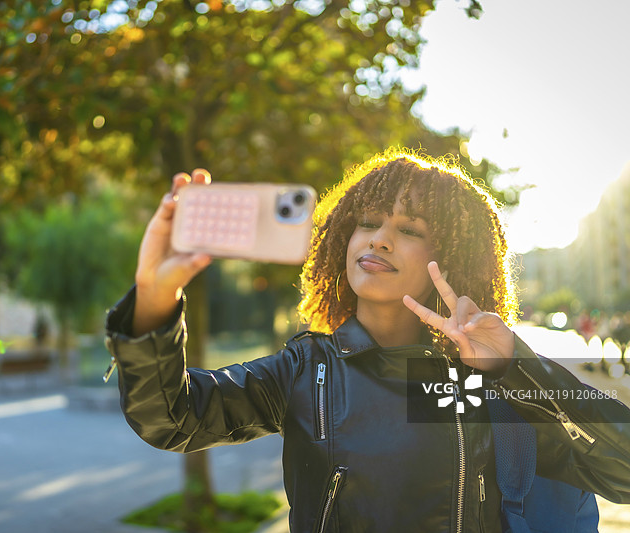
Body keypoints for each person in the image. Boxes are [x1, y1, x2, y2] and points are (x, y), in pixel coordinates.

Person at [105, 148, 630, 532]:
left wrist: (514, 365)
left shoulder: (481, 383)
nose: (379, 238)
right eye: (368, 222)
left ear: (450, 260)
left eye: (410, 230)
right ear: (343, 239)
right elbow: (169, 418)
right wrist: (154, 298)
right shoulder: (307, 368)